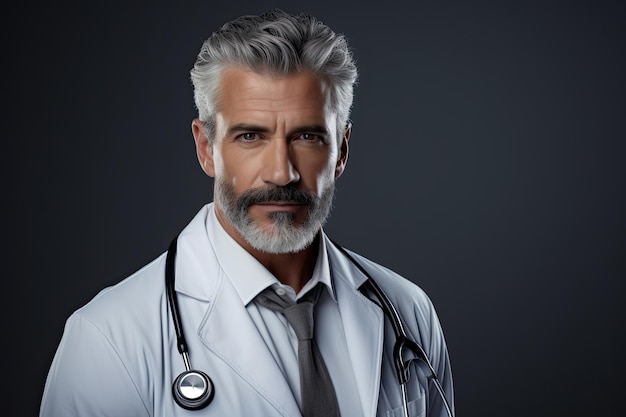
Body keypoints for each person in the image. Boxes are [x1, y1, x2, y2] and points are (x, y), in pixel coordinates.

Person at [39, 8, 454, 417]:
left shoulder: (407, 312)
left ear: (341, 150)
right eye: (250, 136)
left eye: (307, 136)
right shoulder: (109, 339)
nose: (281, 173)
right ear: (207, 149)